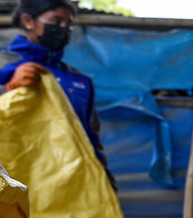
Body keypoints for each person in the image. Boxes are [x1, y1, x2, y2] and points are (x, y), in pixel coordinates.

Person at [0, 0, 117, 190]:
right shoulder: (4, 65)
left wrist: (105, 180)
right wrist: (8, 91)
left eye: (68, 24)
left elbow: (90, 137)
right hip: (13, 182)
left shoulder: (79, 80)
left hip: (66, 186)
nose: (63, 29)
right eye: (56, 21)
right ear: (28, 20)